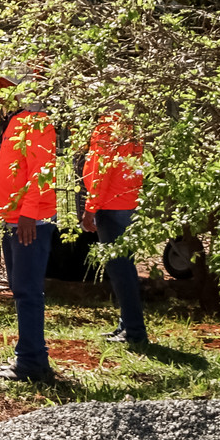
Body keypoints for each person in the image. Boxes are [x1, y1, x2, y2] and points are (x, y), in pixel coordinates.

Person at [0, 101, 60, 382]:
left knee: (27, 290)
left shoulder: (36, 120)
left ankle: (32, 362)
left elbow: (42, 170)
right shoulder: (16, 120)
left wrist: (28, 214)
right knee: (20, 288)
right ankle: (28, 354)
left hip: (28, 221)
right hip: (14, 218)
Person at [83, 107, 147, 346]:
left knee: (120, 270)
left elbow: (102, 170)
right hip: (126, 200)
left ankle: (134, 331)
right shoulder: (129, 125)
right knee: (125, 267)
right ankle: (128, 325)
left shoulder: (108, 126)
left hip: (110, 203)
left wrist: (91, 207)